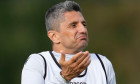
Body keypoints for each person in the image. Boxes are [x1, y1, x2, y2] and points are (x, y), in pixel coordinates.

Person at [21, 1, 116, 84]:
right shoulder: (39, 62)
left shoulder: (102, 63)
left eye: (84, 24)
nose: (83, 29)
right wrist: (63, 78)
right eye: (73, 25)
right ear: (54, 36)